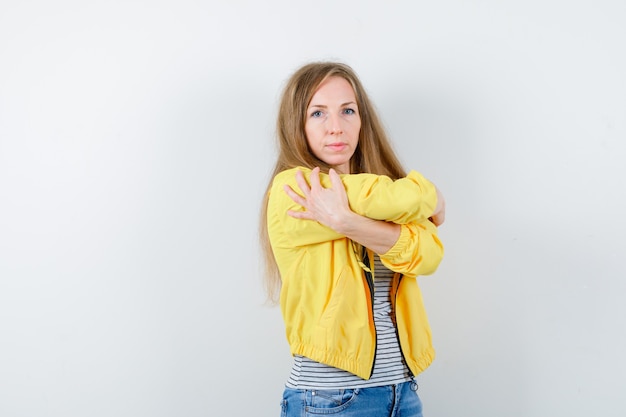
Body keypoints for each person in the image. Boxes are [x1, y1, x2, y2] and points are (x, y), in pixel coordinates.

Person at [260, 61, 445, 417]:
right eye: (317, 113)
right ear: (295, 123)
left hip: (402, 393)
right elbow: (382, 198)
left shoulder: (390, 193)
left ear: (362, 120)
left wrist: (345, 221)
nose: (336, 127)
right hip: (330, 398)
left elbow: (429, 255)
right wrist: (433, 194)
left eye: (347, 110)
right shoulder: (294, 190)